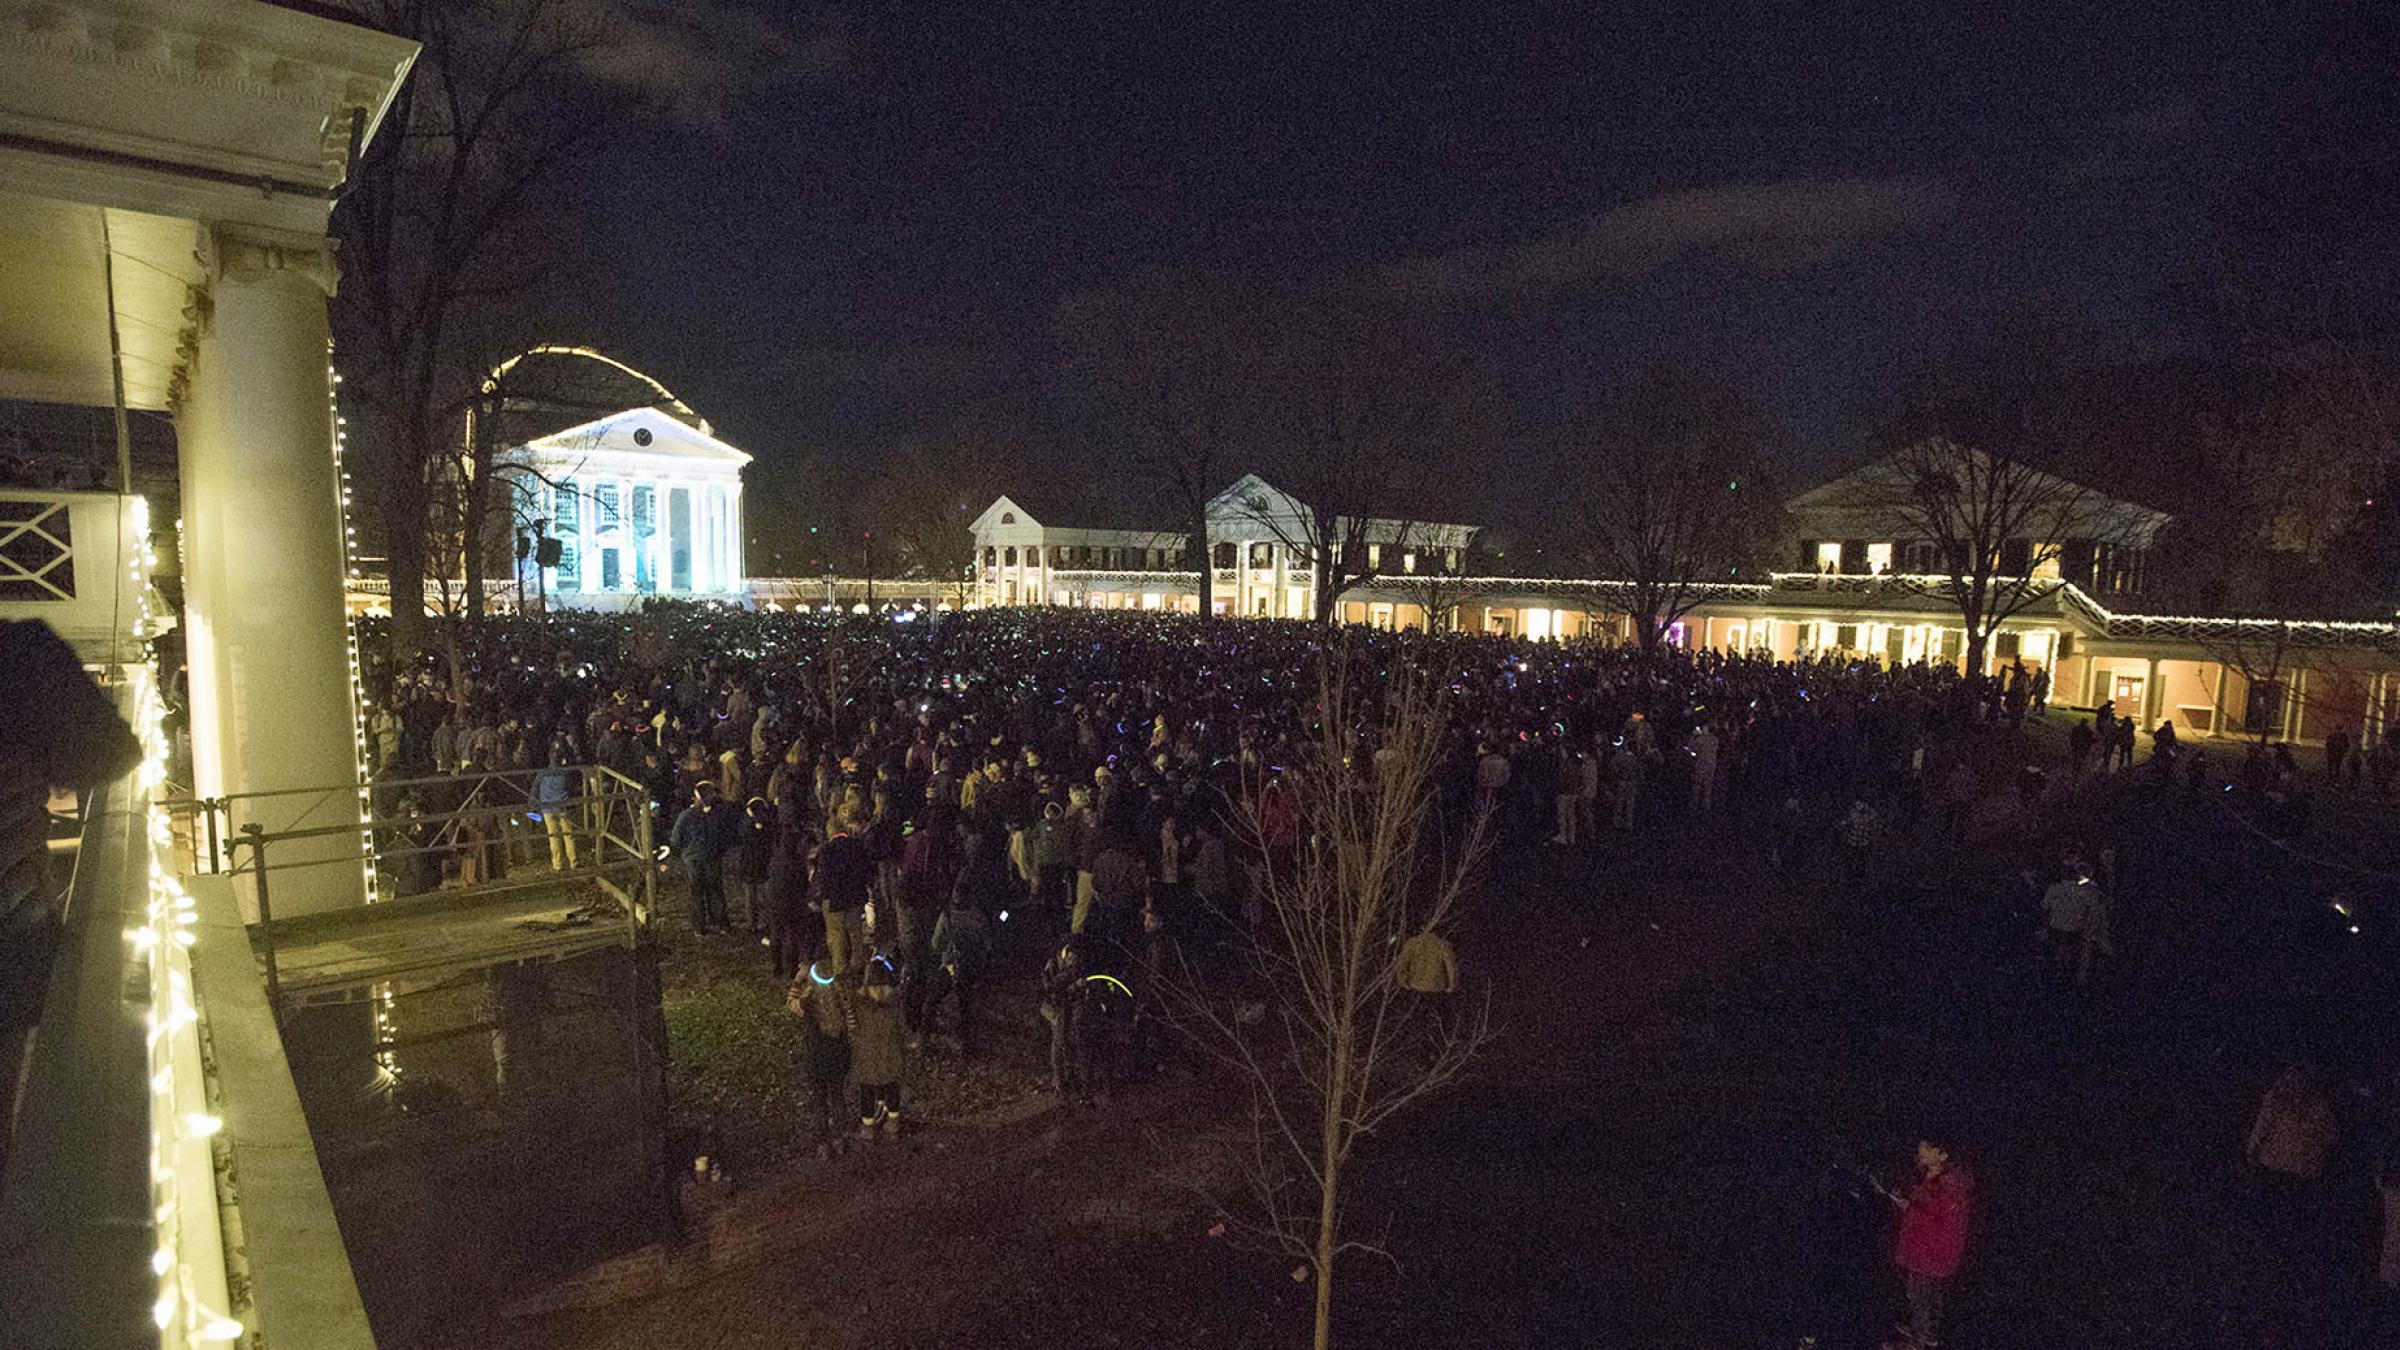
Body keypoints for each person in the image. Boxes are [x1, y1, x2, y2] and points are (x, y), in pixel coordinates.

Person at [1887, 1137, 1973, 1349]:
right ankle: (1928, 1332)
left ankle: (1916, 1342)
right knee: (1932, 1293)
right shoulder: (1934, 1176)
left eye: (1927, 1149)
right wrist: (1908, 1205)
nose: (1921, 1151)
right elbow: (1927, 1208)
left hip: (1930, 1249)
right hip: (1930, 1247)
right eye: (1921, 1147)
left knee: (1919, 1296)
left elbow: (1940, 1218)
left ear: (1943, 1156)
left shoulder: (1950, 1185)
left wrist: (1910, 1207)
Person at [786, 961, 852, 1159]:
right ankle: (840, 1138)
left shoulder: (808, 1003)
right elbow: (851, 1024)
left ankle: (823, 1143)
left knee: (819, 1101)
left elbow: (790, 1003)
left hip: (816, 1058)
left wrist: (798, 980)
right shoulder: (842, 1001)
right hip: (838, 1056)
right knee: (837, 1096)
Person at [848, 958, 907, 1139]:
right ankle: (893, 1122)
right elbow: (902, 1026)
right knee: (892, 1086)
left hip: (867, 1053)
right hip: (891, 1051)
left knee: (866, 1088)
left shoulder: (858, 1000)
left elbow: (851, 1025)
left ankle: (868, 1126)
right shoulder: (896, 1000)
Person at [813, 806, 874, 975]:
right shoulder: (856, 845)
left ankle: (840, 969)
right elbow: (865, 870)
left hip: (835, 901)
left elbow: (824, 878)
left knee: (836, 935)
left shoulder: (827, 850)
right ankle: (858, 965)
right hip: (854, 899)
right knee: (856, 934)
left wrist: (821, 898)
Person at [669, 782, 733, 933]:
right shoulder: (717, 815)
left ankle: (699, 927)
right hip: (711, 857)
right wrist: (719, 852)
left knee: (697, 892)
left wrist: (679, 853)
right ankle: (721, 924)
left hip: (693, 859)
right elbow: (724, 836)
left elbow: (676, 838)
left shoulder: (686, 816)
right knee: (715, 890)